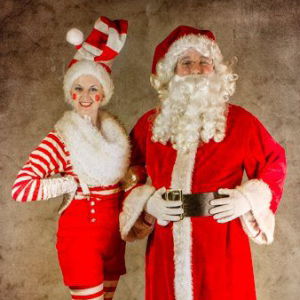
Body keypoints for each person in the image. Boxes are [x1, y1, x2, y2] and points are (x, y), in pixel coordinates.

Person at [119, 26, 287, 300]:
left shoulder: (241, 122)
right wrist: (146, 202)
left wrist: (247, 200)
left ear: (216, 70)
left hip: (223, 244)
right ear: (171, 72)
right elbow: (124, 171)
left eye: (204, 62)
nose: (196, 69)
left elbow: (274, 162)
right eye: (186, 63)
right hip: (166, 244)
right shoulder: (150, 125)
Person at [11, 16, 129, 300]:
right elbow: (21, 188)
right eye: (78, 88)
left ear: (104, 93)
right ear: (70, 94)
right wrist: (66, 185)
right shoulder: (61, 138)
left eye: (93, 88)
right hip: (80, 240)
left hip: (113, 239)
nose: (85, 96)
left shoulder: (116, 135)